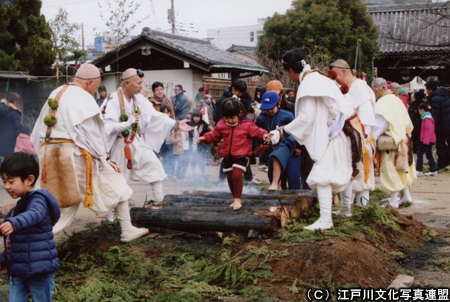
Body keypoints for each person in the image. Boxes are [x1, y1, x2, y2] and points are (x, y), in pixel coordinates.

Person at [31, 64, 149, 242]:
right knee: (117, 182)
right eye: (97, 85)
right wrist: (105, 160)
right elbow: (93, 134)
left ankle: (30, 238)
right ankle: (127, 230)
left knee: (54, 206)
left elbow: (37, 131)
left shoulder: (55, 92)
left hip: (48, 155)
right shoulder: (82, 98)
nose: (96, 90)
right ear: (89, 82)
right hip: (72, 157)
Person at [269, 49, 363, 231]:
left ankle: (326, 220)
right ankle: (345, 209)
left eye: (287, 73)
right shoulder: (318, 78)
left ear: (290, 71)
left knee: (322, 175)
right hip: (346, 129)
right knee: (343, 170)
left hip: (338, 131)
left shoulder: (309, 83)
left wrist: (281, 131)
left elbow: (306, 119)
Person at [102, 68, 192, 205]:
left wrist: (176, 123)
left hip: (135, 141)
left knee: (154, 166)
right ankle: (112, 218)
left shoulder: (138, 99)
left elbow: (154, 115)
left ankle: (159, 204)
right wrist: (128, 123)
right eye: (138, 83)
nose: (141, 87)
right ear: (127, 82)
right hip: (118, 145)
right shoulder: (113, 99)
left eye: (142, 83)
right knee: (118, 181)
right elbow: (107, 126)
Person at [0, 152, 60, 301]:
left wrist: (14, 223)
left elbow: (35, 213)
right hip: (17, 271)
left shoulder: (38, 199)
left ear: (29, 179)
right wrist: (3, 261)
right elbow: (13, 243)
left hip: (38, 270)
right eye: (4, 181)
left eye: (11, 181)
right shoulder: (16, 210)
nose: (6, 186)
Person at [197, 97, 268, 210]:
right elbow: (214, 135)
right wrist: (204, 138)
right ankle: (235, 197)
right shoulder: (221, 124)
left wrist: (264, 134)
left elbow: (257, 131)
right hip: (227, 155)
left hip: (242, 155)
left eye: (232, 118)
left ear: (239, 113)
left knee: (236, 175)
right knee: (229, 178)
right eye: (227, 118)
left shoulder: (247, 124)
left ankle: (237, 200)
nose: (229, 120)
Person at [329, 59, 376, 215]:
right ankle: (346, 209)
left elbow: (367, 118)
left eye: (335, 74)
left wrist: (361, 139)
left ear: (344, 72)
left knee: (362, 178)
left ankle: (363, 211)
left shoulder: (360, 87)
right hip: (350, 138)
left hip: (361, 138)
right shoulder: (344, 88)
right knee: (348, 174)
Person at [371, 78, 417, 208]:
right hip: (404, 138)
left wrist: (370, 140)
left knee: (391, 170)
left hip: (391, 142)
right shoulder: (396, 99)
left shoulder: (383, 103)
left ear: (376, 89)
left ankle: (394, 200)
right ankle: (406, 196)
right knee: (403, 169)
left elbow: (379, 125)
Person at [255, 91, 300, 191]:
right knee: (273, 175)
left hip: (290, 149)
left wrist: (298, 146)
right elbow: (257, 134)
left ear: (278, 104)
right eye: (267, 109)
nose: (269, 111)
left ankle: (296, 200)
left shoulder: (287, 115)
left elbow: (297, 132)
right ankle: (278, 201)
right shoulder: (260, 119)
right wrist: (260, 147)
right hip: (271, 151)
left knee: (293, 177)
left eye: (271, 108)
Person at [425, 80, 450, 169]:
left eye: (427, 89)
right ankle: (446, 160)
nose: (426, 92)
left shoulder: (435, 99)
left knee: (440, 144)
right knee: (445, 143)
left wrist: (433, 125)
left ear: (430, 89)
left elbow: (436, 114)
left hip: (441, 125)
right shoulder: (445, 95)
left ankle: (442, 162)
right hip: (447, 122)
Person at [416, 103, 438, 177]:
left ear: (422, 110)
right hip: (428, 140)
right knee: (429, 155)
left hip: (426, 140)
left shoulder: (427, 119)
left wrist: (426, 141)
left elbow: (429, 130)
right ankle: (433, 170)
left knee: (419, 153)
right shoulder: (427, 118)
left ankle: (419, 170)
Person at [189, 109, 212, 179]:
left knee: (201, 161)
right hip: (193, 146)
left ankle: (202, 175)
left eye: (198, 117)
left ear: (200, 117)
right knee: (193, 161)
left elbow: (212, 131)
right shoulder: (190, 125)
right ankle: (194, 175)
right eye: (195, 117)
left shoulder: (204, 125)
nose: (196, 118)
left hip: (201, 146)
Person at [0, 92, 22, 163]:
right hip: (10, 140)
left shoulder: (2, 110)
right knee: (8, 161)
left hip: (1, 138)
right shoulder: (15, 112)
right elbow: (17, 128)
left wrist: (3, 102)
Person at [160, 106, 175, 178]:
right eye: (164, 112)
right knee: (164, 159)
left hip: (171, 143)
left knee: (172, 158)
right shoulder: (160, 123)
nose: (166, 114)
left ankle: (172, 173)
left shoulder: (172, 122)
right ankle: (165, 173)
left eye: (167, 112)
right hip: (163, 143)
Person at [408, 89, 426, 153]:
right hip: (423, 121)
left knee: (414, 136)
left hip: (414, 122)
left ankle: (415, 148)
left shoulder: (413, 104)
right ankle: (421, 148)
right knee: (422, 135)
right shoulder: (424, 104)